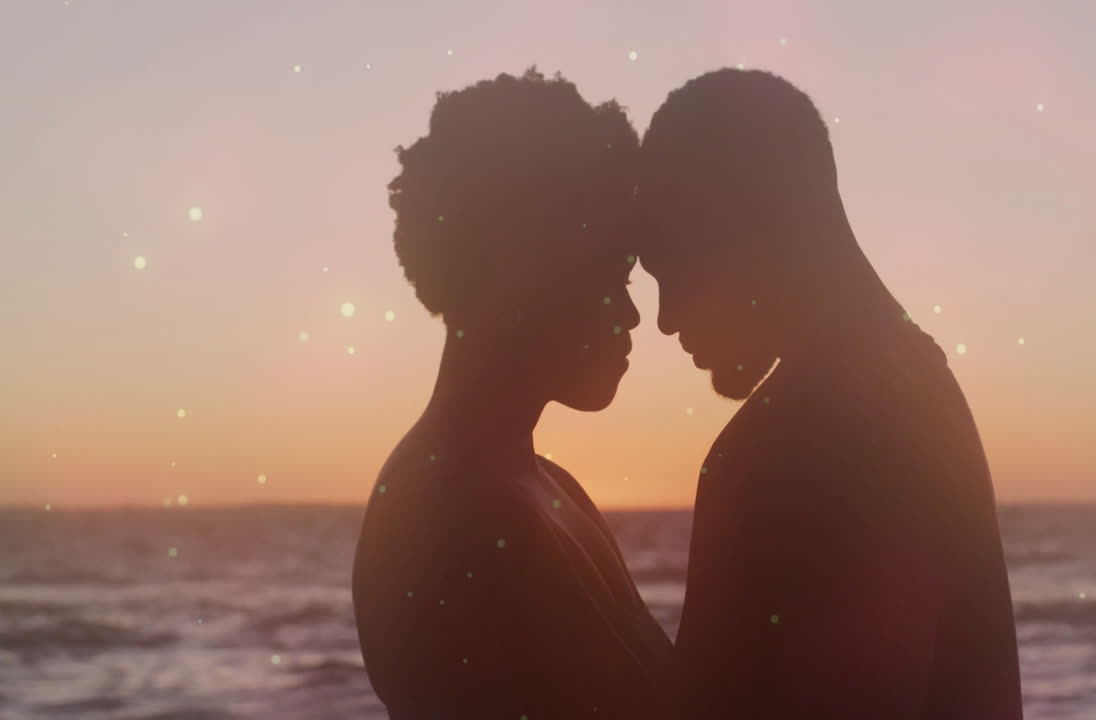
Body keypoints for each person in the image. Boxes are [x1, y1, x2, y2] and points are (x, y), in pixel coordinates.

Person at [635, 68, 1023, 719]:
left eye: (676, 266)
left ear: (752, 223)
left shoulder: (804, 442)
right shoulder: (909, 389)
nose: (666, 317)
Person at [351, 67, 672, 720]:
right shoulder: (455, 519)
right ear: (526, 278)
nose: (634, 317)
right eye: (611, 277)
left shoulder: (545, 485)